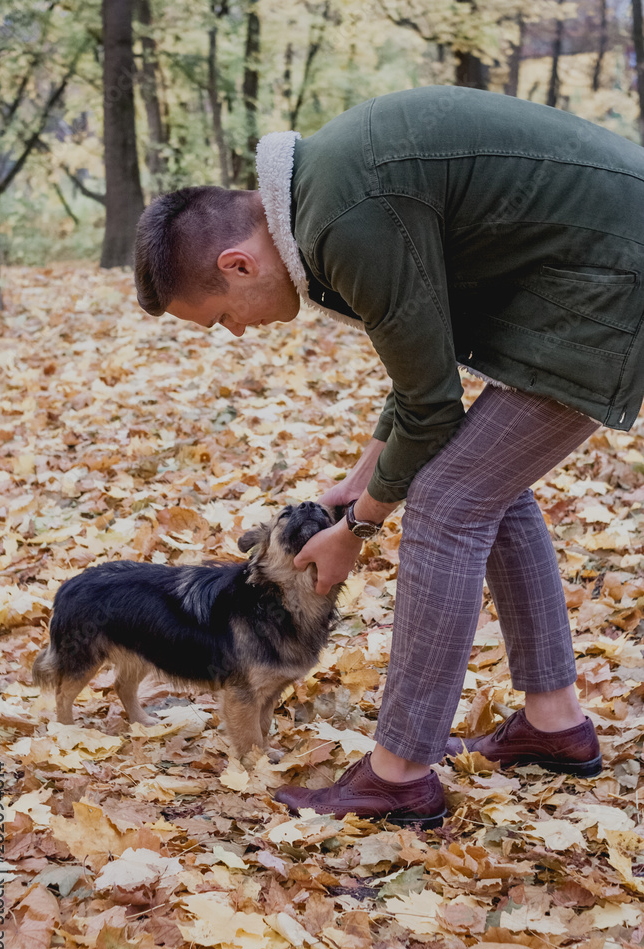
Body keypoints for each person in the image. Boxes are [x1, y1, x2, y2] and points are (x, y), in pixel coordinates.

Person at [134, 86, 644, 826]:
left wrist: (358, 530)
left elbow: (432, 403)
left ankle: (399, 773)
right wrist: (360, 479)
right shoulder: (325, 197)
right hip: (581, 272)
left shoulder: (342, 219)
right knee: (485, 485)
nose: (235, 334)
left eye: (219, 320)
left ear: (238, 264)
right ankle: (554, 722)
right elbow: (422, 365)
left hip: (612, 278)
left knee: (448, 501)